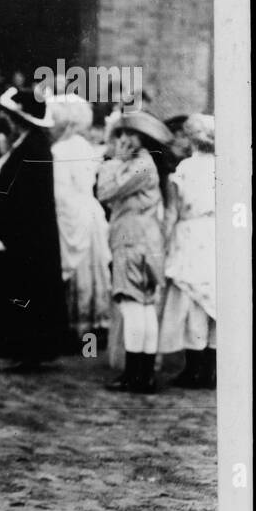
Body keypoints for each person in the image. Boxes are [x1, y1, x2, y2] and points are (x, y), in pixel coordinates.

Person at [0, 87, 66, 372]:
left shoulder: (34, 148)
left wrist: (8, 233)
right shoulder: (26, 144)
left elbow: (26, 199)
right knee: (17, 290)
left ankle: (30, 353)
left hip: (28, 236)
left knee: (28, 291)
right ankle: (17, 346)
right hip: (23, 234)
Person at [96, 110, 172, 393]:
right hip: (146, 240)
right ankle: (143, 372)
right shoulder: (148, 165)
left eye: (128, 135)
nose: (122, 140)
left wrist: (116, 161)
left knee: (132, 306)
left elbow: (105, 191)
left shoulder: (139, 166)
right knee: (143, 306)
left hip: (131, 240)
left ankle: (136, 373)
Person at [49, 94, 112, 347]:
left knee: (75, 272)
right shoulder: (84, 146)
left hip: (71, 214)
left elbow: (60, 191)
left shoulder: (59, 150)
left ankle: (72, 330)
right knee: (90, 271)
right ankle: (92, 329)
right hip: (89, 212)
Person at [159, 114, 216, 388]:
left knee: (192, 300)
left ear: (192, 138)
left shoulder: (185, 168)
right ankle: (209, 369)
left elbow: (172, 210)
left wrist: (164, 240)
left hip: (190, 234)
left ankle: (195, 368)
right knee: (213, 298)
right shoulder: (224, 166)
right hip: (216, 234)